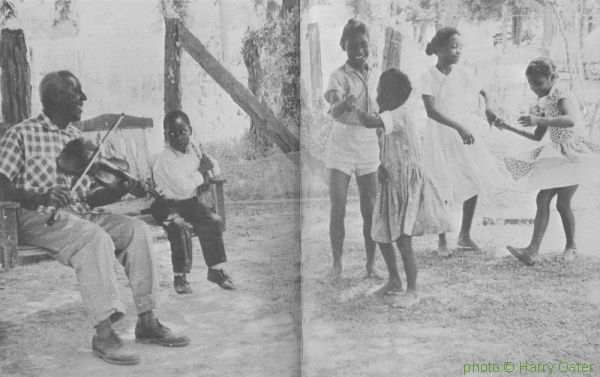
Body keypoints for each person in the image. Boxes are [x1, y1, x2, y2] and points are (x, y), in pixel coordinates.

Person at [0, 71, 190, 366]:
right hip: (38, 216)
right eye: (76, 92)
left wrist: (123, 188)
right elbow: (1, 183)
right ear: (54, 97)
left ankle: (147, 320)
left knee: (137, 230)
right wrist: (40, 196)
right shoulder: (21, 133)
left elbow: (89, 197)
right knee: (94, 238)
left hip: (80, 215)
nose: (84, 98)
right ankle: (104, 333)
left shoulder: (77, 138)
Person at [353, 68, 452, 307]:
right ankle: (394, 280)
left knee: (402, 238)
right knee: (382, 232)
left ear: (391, 93)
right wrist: (382, 165)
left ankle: (413, 290)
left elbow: (368, 121)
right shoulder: (390, 116)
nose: (376, 95)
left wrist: (350, 107)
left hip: (406, 185)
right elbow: (388, 145)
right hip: (391, 182)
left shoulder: (400, 114)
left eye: (379, 90)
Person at [497, 57, 600, 265]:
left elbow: (569, 120)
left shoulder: (561, 95)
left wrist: (539, 119)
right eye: (531, 84)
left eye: (539, 83)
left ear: (552, 78)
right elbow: (537, 135)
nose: (534, 88)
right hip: (558, 153)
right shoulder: (546, 101)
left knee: (562, 203)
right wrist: (508, 127)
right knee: (543, 199)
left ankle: (570, 246)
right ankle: (532, 251)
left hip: (573, 153)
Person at [420, 26, 504, 257]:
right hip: (441, 133)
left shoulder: (463, 73)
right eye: (453, 46)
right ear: (438, 49)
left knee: (472, 177)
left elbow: (484, 91)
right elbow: (431, 111)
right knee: (441, 183)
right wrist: (459, 127)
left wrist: (489, 108)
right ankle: (442, 238)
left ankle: (465, 235)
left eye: (460, 46)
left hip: (464, 131)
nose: (458, 51)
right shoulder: (427, 76)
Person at [150, 110, 235, 294]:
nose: (178, 137)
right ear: (165, 135)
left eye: (183, 131)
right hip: (166, 204)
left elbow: (214, 167)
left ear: (190, 131)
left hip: (188, 201)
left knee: (213, 220)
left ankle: (215, 270)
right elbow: (183, 186)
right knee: (179, 227)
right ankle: (180, 276)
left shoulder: (194, 148)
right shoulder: (165, 159)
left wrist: (205, 171)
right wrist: (202, 172)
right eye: (172, 133)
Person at [323, 19, 380, 281]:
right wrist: (344, 104)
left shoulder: (376, 74)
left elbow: (383, 115)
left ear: (369, 45)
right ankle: (337, 264)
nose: (359, 50)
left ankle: (371, 265)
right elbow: (334, 112)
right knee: (339, 208)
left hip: (368, 145)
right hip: (342, 146)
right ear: (343, 46)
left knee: (370, 210)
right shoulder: (338, 76)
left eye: (363, 44)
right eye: (352, 45)